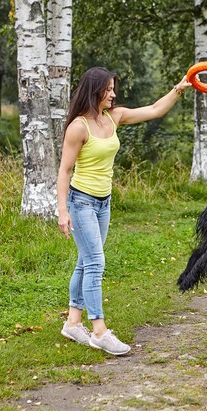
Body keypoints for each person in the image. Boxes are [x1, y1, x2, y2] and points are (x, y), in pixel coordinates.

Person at [57, 67, 192, 355]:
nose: (114, 94)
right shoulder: (78, 127)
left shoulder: (113, 117)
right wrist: (62, 211)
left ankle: (72, 322)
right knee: (95, 262)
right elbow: (64, 171)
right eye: (109, 89)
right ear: (95, 91)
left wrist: (179, 88)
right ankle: (99, 331)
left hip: (103, 202)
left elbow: (155, 109)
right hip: (81, 202)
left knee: (86, 260)